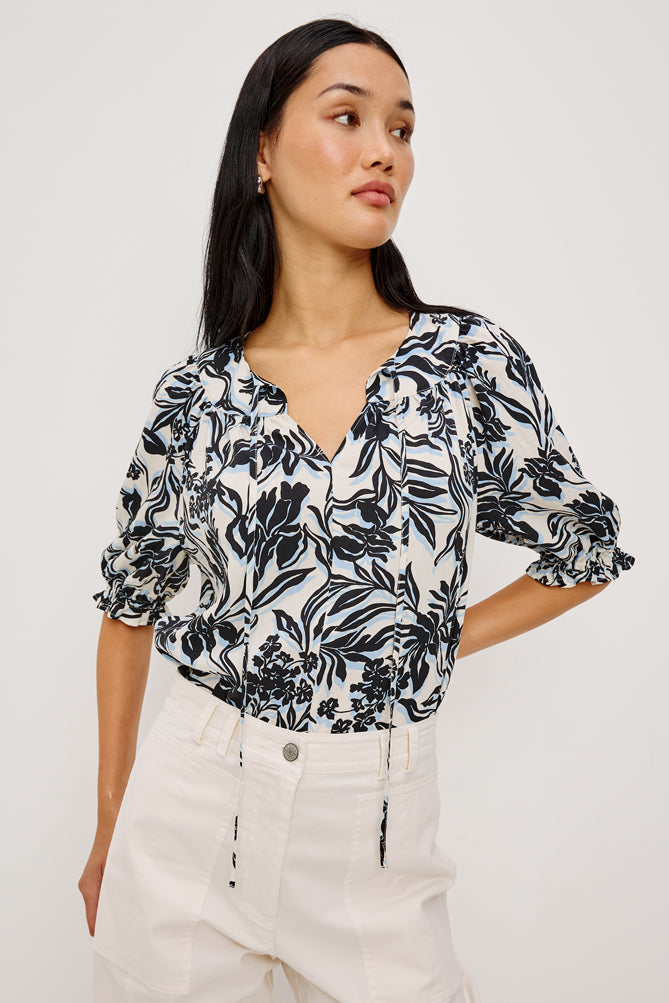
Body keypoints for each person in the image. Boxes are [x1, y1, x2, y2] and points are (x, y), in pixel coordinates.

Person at [78, 16, 635, 1003]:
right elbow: (129, 607)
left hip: (376, 832)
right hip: (189, 815)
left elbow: (584, 547)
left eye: (403, 129)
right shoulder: (197, 396)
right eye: (348, 117)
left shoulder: (467, 363)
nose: (385, 150)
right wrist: (109, 822)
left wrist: (439, 636)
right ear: (262, 151)